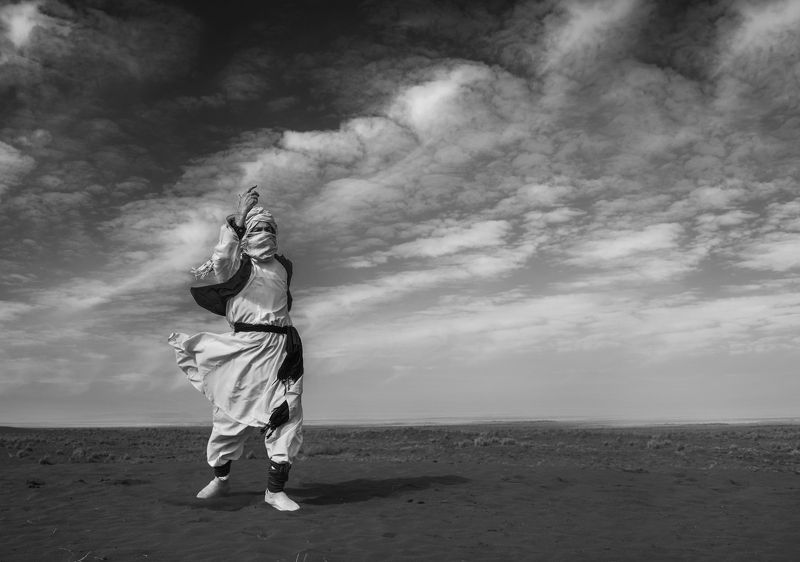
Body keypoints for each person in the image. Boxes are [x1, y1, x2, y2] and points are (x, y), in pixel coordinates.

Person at [168, 186, 304, 512]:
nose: (265, 234)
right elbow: (222, 257)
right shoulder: (235, 267)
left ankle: (274, 490)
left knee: (285, 415)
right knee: (228, 420)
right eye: (258, 229)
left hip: (280, 351)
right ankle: (221, 479)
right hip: (242, 351)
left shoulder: (284, 267)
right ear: (246, 235)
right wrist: (239, 221)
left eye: (270, 229)